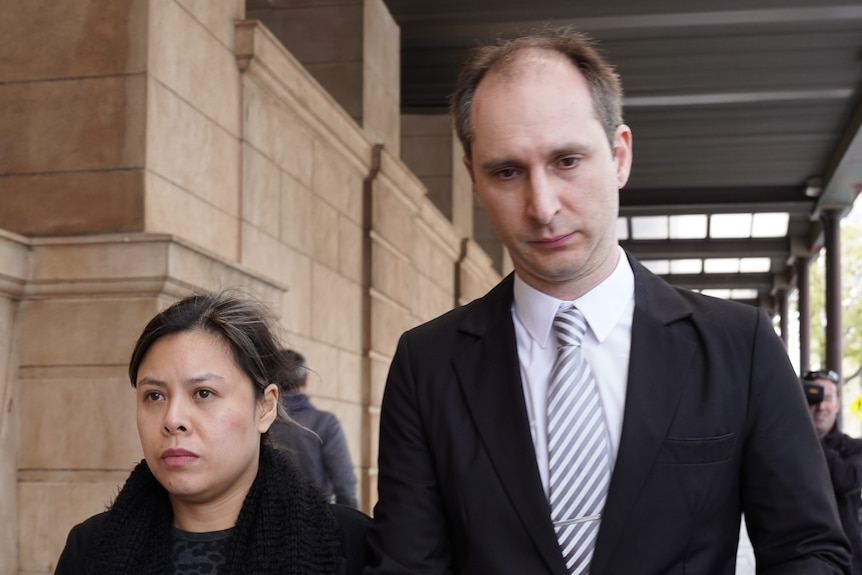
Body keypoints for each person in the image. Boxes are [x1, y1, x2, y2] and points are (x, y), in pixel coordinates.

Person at [365, 28, 851, 575]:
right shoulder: (427, 363)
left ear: (619, 155)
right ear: (473, 179)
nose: (543, 206)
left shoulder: (739, 344)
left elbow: (808, 551)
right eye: (506, 171)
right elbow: (409, 563)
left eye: (567, 161)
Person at [55, 291, 369, 574]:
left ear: (265, 407)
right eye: (154, 396)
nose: (173, 419)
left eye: (203, 393)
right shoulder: (89, 550)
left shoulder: (353, 546)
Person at [270, 349, 359, 507]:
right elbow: (345, 484)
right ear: (305, 381)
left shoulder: (259, 422)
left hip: (266, 521)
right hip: (315, 519)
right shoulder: (324, 423)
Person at [804, 369, 862, 574]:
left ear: (838, 405)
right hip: (801, 561)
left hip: (849, 562)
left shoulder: (854, 447)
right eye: (813, 397)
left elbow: (847, 480)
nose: (820, 406)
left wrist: (809, 436)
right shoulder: (786, 448)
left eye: (827, 397)